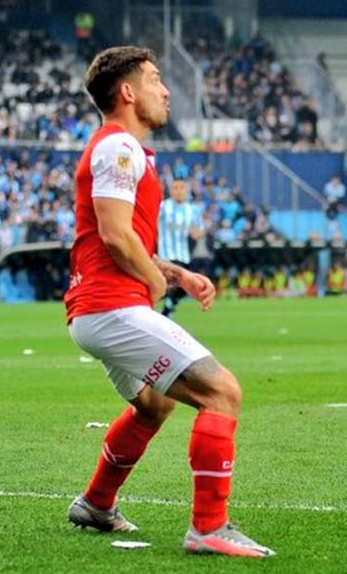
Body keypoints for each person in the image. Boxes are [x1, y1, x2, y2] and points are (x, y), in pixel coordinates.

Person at [63, 46, 274, 558]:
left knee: (154, 406)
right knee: (222, 392)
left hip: (98, 308)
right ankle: (209, 527)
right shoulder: (119, 148)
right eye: (156, 79)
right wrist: (155, 286)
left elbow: (116, 240)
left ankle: (95, 503)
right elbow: (114, 235)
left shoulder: (123, 150)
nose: (166, 90)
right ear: (128, 92)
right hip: (113, 308)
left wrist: (175, 274)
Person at [158, 177, 205, 318]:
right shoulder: (163, 207)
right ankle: (163, 311)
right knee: (169, 285)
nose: (179, 191)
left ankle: (166, 310)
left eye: (182, 188)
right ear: (170, 191)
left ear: (187, 190)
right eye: (175, 188)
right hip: (165, 255)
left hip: (183, 254)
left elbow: (200, 229)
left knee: (184, 287)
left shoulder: (192, 210)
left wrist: (195, 234)